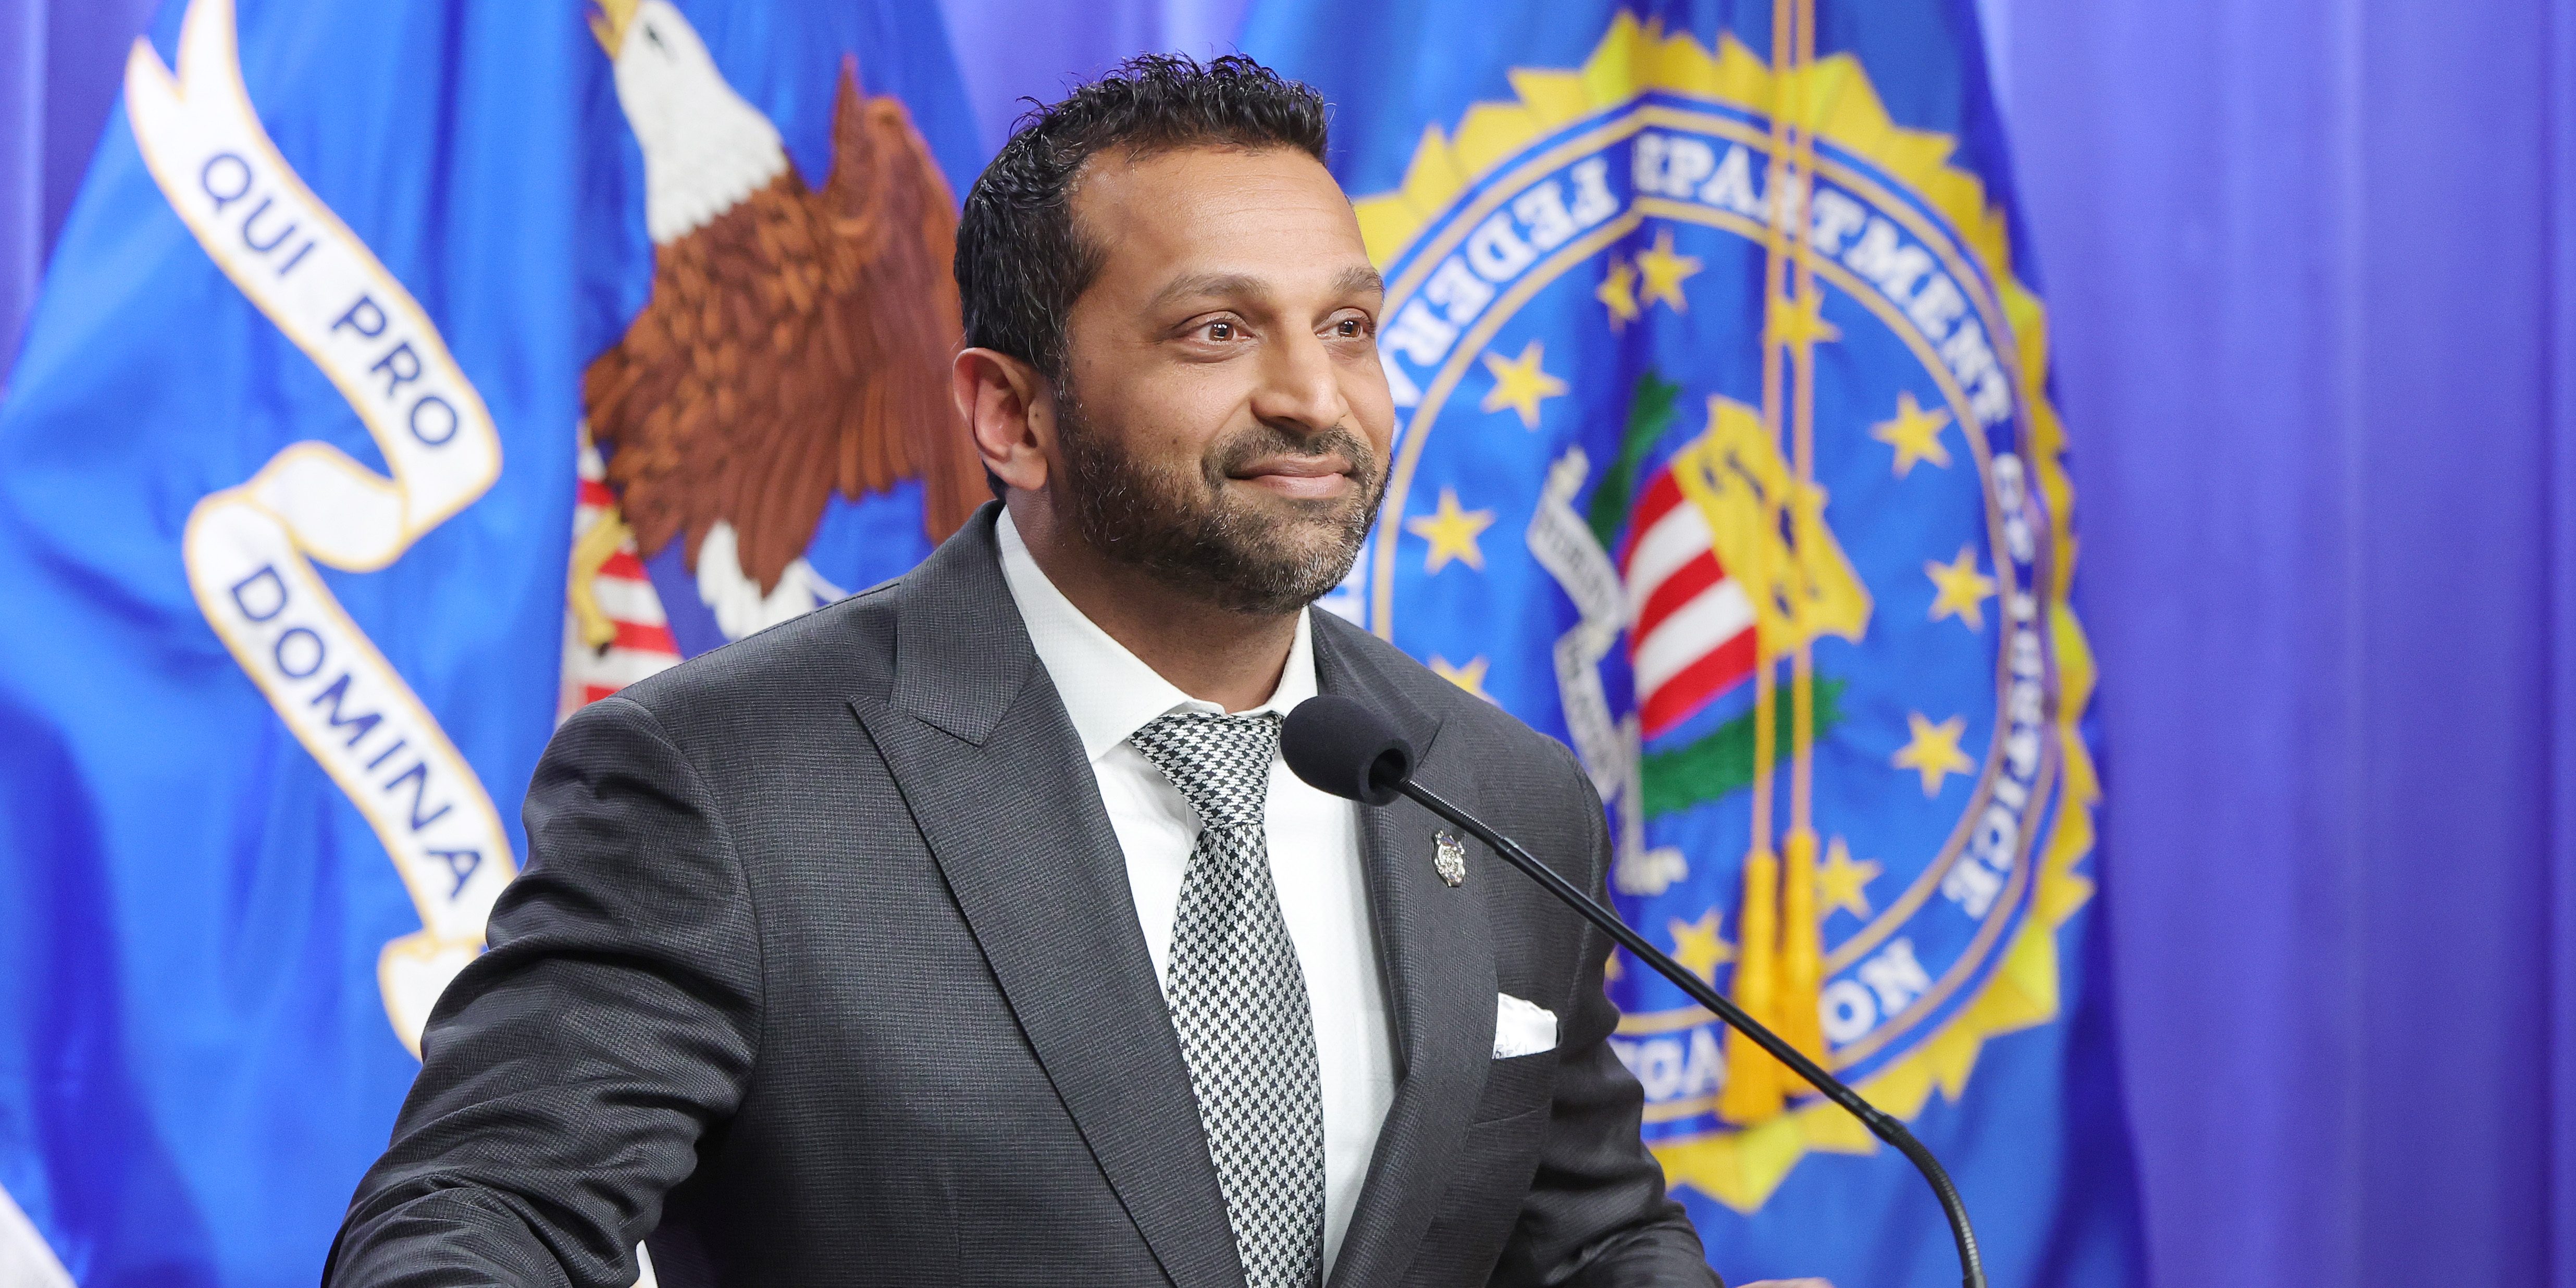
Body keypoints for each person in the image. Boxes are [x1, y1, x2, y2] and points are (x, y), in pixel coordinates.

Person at [326, 53, 1716, 1288]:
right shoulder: (727, 784)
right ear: (1010, 413)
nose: (1315, 397)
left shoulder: (1499, 795)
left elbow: (1588, 1241)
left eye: (1347, 326)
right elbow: (480, 1213)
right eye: (1218, 331)